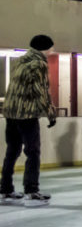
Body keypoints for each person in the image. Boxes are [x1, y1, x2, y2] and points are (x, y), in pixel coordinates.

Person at [1, 34, 58, 207]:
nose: (52, 51)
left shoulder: (20, 61)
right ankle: (31, 191)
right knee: (33, 152)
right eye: (51, 48)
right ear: (45, 48)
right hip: (27, 114)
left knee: (12, 151)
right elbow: (41, 91)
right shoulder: (39, 64)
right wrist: (50, 113)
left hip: (11, 113)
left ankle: (5, 190)